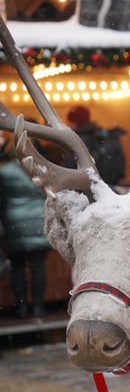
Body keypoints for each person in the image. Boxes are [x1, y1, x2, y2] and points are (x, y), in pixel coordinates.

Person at [0, 133, 51, 318]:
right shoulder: (41, 170)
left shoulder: (4, 172)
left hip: (14, 224)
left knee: (17, 267)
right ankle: (39, 306)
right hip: (38, 221)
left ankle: (21, 308)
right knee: (38, 267)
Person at [65, 104, 127, 188]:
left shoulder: (78, 139)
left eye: (70, 122)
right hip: (109, 185)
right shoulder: (101, 135)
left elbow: (71, 168)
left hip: (89, 187)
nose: (68, 125)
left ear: (75, 122)